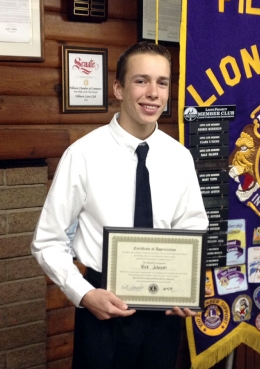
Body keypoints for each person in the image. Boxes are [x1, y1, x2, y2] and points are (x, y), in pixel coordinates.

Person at [31, 42, 209, 369]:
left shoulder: (179, 158)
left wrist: (188, 286)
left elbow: (193, 227)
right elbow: (47, 241)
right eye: (141, 80)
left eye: (162, 82)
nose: (153, 92)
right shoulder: (83, 155)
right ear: (118, 88)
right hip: (102, 304)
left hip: (164, 308)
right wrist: (83, 294)